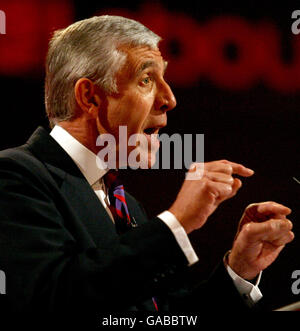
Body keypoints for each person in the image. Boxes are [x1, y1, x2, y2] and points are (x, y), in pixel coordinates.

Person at [0, 15, 294, 319]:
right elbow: (54, 301)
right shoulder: (14, 177)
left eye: (163, 79)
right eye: (146, 80)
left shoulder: (123, 203)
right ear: (89, 96)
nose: (169, 99)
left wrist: (240, 270)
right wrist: (176, 222)